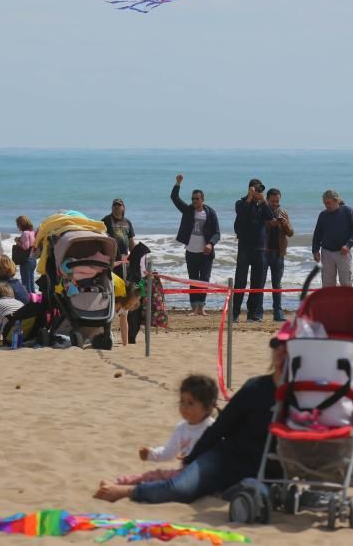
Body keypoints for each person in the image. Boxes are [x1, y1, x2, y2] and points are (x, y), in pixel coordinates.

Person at [94, 339, 285, 504]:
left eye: (289, 346)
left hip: (266, 471)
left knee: (257, 493)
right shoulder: (255, 388)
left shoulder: (307, 396)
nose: (282, 351)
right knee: (180, 488)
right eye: (277, 344)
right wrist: (191, 461)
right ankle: (127, 491)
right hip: (227, 460)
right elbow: (219, 429)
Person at [112, 375, 218, 486]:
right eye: (182, 401)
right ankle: (123, 482)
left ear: (207, 407)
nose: (184, 407)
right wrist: (151, 454)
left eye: (191, 403)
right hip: (185, 474)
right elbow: (168, 452)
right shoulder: (181, 428)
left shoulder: (212, 428)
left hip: (205, 475)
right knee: (156, 475)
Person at [170, 174, 220, 316]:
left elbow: (217, 233)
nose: (194, 201)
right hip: (191, 251)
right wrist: (178, 183)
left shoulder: (210, 213)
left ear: (202, 200)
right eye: (192, 199)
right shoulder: (188, 211)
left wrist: (210, 244)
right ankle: (193, 307)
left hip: (206, 253)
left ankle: (201, 307)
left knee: (204, 279)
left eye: (197, 199)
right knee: (193, 279)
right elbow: (174, 198)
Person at [233, 178, 275, 322]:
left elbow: (271, 217)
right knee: (240, 281)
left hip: (260, 247)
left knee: (257, 282)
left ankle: (253, 314)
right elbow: (242, 214)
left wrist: (263, 201)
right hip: (245, 246)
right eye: (256, 189)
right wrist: (250, 198)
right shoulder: (241, 203)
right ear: (250, 189)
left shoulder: (262, 205)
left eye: (260, 189)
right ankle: (235, 313)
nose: (259, 192)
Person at [311, 190, 353, 288]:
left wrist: (348, 245)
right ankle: (330, 303)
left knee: (346, 283)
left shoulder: (347, 211)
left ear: (336, 201)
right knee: (327, 285)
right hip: (326, 253)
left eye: (328, 203)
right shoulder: (323, 215)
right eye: (324, 203)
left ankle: (347, 303)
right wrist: (315, 250)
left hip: (343, 252)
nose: (326, 206)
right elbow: (317, 234)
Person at [264, 188, 294, 322]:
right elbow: (257, 229)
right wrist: (270, 224)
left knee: (277, 284)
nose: (275, 204)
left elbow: (291, 233)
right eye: (273, 201)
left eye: (277, 201)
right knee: (259, 283)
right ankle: (257, 312)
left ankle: (278, 311)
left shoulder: (283, 212)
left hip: (279, 253)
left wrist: (285, 224)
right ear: (267, 200)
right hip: (264, 252)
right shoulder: (263, 211)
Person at [103, 199, 136, 279]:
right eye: (114, 205)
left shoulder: (127, 222)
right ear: (112, 208)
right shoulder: (106, 220)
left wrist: (135, 256)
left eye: (119, 205)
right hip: (112, 258)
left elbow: (131, 241)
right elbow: (102, 239)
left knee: (125, 280)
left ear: (123, 208)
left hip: (124, 257)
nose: (116, 206)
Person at [113, 276, 141, 346]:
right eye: (130, 304)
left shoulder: (124, 308)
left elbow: (124, 326)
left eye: (134, 304)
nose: (131, 307)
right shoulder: (114, 304)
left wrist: (125, 344)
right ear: (124, 297)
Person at [15, 215, 38, 293]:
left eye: (18, 224)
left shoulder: (25, 233)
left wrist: (18, 242)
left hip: (26, 260)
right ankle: (34, 300)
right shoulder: (32, 232)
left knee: (25, 283)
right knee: (31, 282)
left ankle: (27, 301)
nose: (17, 226)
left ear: (21, 224)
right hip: (33, 259)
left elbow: (25, 247)